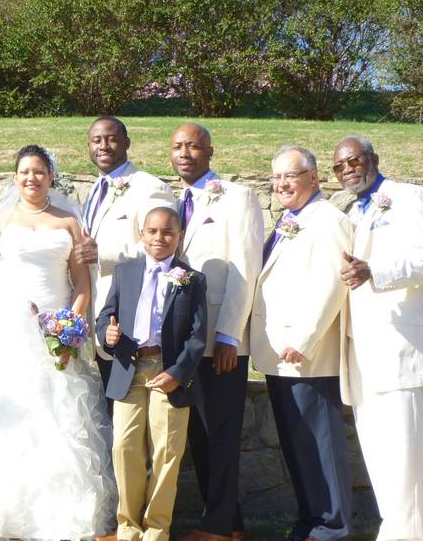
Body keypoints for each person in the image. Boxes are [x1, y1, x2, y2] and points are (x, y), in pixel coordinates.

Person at [0, 144, 116, 541]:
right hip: (11, 331)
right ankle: (9, 517)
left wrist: (69, 330)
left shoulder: (68, 221)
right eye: (24, 172)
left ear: (51, 176)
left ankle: (57, 516)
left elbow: (82, 286)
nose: (32, 178)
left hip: (56, 332)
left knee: (57, 417)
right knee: (14, 419)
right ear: (15, 178)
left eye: (39, 171)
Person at [332, 136, 423, 541]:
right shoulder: (350, 211)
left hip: (401, 349)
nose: (347, 169)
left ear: (373, 159)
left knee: (402, 465)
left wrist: (374, 271)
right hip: (362, 355)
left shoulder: (408, 196)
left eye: (354, 160)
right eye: (339, 166)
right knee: (384, 468)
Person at [249, 145, 352, 541]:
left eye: (289, 176)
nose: (280, 184)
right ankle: (311, 520)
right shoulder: (291, 219)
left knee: (320, 443)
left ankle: (333, 526)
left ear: (313, 178)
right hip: (280, 354)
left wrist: (305, 340)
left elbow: (332, 284)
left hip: (306, 355)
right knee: (299, 446)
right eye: (275, 177)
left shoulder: (328, 221)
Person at [169, 123, 263, 541]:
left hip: (219, 341)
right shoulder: (171, 202)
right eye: (177, 146)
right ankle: (230, 523)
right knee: (200, 435)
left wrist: (230, 335)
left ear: (210, 151)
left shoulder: (237, 198)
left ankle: (218, 527)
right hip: (184, 341)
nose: (184, 152)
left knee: (220, 434)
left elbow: (245, 269)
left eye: (193, 145)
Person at [96, 206, 207, 541]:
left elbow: (198, 335)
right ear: (141, 234)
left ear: (179, 236)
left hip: (167, 372)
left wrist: (177, 372)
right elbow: (106, 316)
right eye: (153, 231)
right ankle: (128, 526)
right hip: (129, 369)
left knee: (166, 451)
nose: (160, 238)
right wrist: (107, 335)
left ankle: (157, 529)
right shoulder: (125, 272)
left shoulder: (191, 279)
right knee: (125, 447)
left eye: (168, 232)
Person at [73, 116, 176, 389]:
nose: (103, 146)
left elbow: (161, 247)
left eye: (111, 139)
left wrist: (102, 253)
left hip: (130, 317)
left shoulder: (149, 187)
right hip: (96, 318)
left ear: (127, 143)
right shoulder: (95, 189)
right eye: (96, 140)